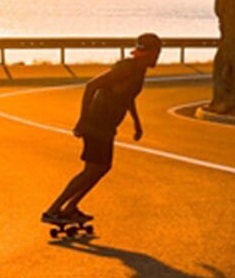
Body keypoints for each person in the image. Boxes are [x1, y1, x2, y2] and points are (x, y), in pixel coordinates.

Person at [41, 32, 162, 226]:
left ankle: (70, 207)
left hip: (107, 124)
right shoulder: (126, 68)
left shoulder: (139, 70)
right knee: (92, 169)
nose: (158, 57)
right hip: (97, 123)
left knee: (101, 168)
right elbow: (92, 86)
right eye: (156, 53)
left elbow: (127, 97)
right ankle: (53, 210)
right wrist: (83, 120)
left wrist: (137, 123)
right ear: (149, 53)